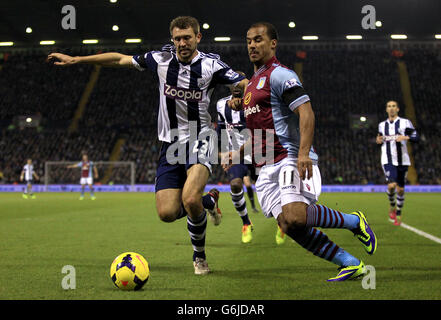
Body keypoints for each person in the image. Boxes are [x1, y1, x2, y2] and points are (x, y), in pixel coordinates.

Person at [48, 16, 248, 275]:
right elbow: (119, 59)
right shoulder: (160, 60)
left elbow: (241, 81)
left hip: (201, 139)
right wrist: (78, 60)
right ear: (172, 39)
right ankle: (208, 202)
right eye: (177, 38)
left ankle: (199, 258)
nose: (182, 43)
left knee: (189, 199)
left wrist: (240, 94)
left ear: (198, 37)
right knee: (166, 213)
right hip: (170, 145)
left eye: (187, 37)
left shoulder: (211, 65)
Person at [223, 22, 377, 281]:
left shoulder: (280, 75)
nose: (252, 44)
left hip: (289, 158)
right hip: (265, 167)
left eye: (258, 39)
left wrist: (303, 154)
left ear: (273, 44)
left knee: (295, 216)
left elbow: (306, 112)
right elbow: (260, 136)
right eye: (249, 40)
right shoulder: (250, 88)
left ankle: (354, 221)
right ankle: (349, 263)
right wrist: (236, 154)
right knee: (287, 225)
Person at [216, 77, 257, 243]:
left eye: (240, 85)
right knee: (235, 185)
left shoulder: (255, 103)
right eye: (233, 85)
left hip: (258, 150)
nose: (237, 88)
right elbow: (220, 127)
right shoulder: (220, 105)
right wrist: (223, 152)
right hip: (236, 154)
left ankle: (282, 222)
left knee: (269, 187)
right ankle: (246, 222)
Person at [376, 100, 419, 226]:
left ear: (398, 109)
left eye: (393, 106)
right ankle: (392, 206)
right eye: (389, 106)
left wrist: (405, 137)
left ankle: (398, 212)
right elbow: (379, 137)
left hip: (403, 160)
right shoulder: (381, 125)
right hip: (388, 159)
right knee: (391, 185)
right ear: (386, 109)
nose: (391, 108)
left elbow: (416, 137)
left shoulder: (405, 122)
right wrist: (378, 139)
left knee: (400, 189)